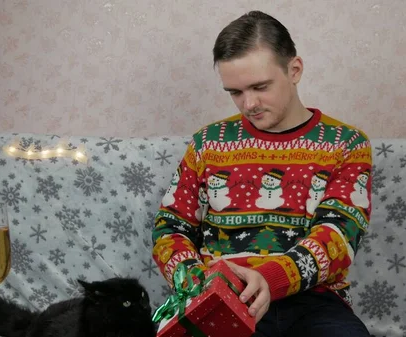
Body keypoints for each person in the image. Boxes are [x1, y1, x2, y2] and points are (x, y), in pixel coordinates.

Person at [151, 10, 373, 337]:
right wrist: (201, 283)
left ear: (294, 70)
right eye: (235, 92)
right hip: (220, 297)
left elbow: (338, 235)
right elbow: (170, 228)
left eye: (260, 87)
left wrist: (268, 279)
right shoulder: (207, 143)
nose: (248, 103)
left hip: (314, 302)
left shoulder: (347, 144)